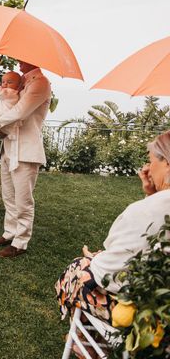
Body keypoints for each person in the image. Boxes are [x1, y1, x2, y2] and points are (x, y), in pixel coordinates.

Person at [55, 132, 170, 329]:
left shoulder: (146, 210)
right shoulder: (158, 204)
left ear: (167, 163)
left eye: (151, 162)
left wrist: (94, 259)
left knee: (78, 270)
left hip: (140, 312)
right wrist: (152, 194)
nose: (147, 169)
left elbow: (107, 268)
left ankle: (86, 345)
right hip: (163, 305)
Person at [0, 61, 51, 258]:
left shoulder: (41, 83)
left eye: (21, 58)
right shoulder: (20, 82)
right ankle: (10, 233)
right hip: (9, 148)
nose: (17, 61)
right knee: (8, 196)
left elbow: (19, 112)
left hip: (26, 151)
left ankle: (21, 242)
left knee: (23, 199)